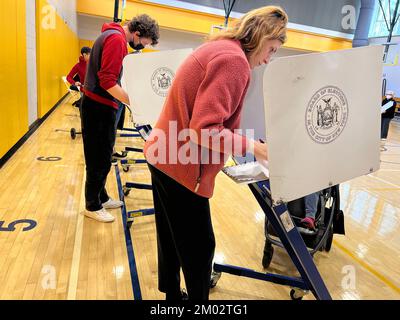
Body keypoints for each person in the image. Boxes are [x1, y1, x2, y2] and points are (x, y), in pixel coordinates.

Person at [144, 6, 288, 300]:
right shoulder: (234, 62)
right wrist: (254, 147)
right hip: (181, 166)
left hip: (163, 154)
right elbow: (205, 129)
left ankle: (172, 294)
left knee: (171, 236)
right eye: (271, 50)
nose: (268, 59)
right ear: (260, 37)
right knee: (200, 248)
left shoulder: (221, 47)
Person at [81, 14, 159, 223]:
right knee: (98, 158)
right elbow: (107, 81)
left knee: (104, 156)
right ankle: (92, 205)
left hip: (100, 106)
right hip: (98, 107)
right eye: (144, 42)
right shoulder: (116, 40)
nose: (142, 46)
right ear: (137, 33)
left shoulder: (111, 36)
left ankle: (101, 197)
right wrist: (134, 102)